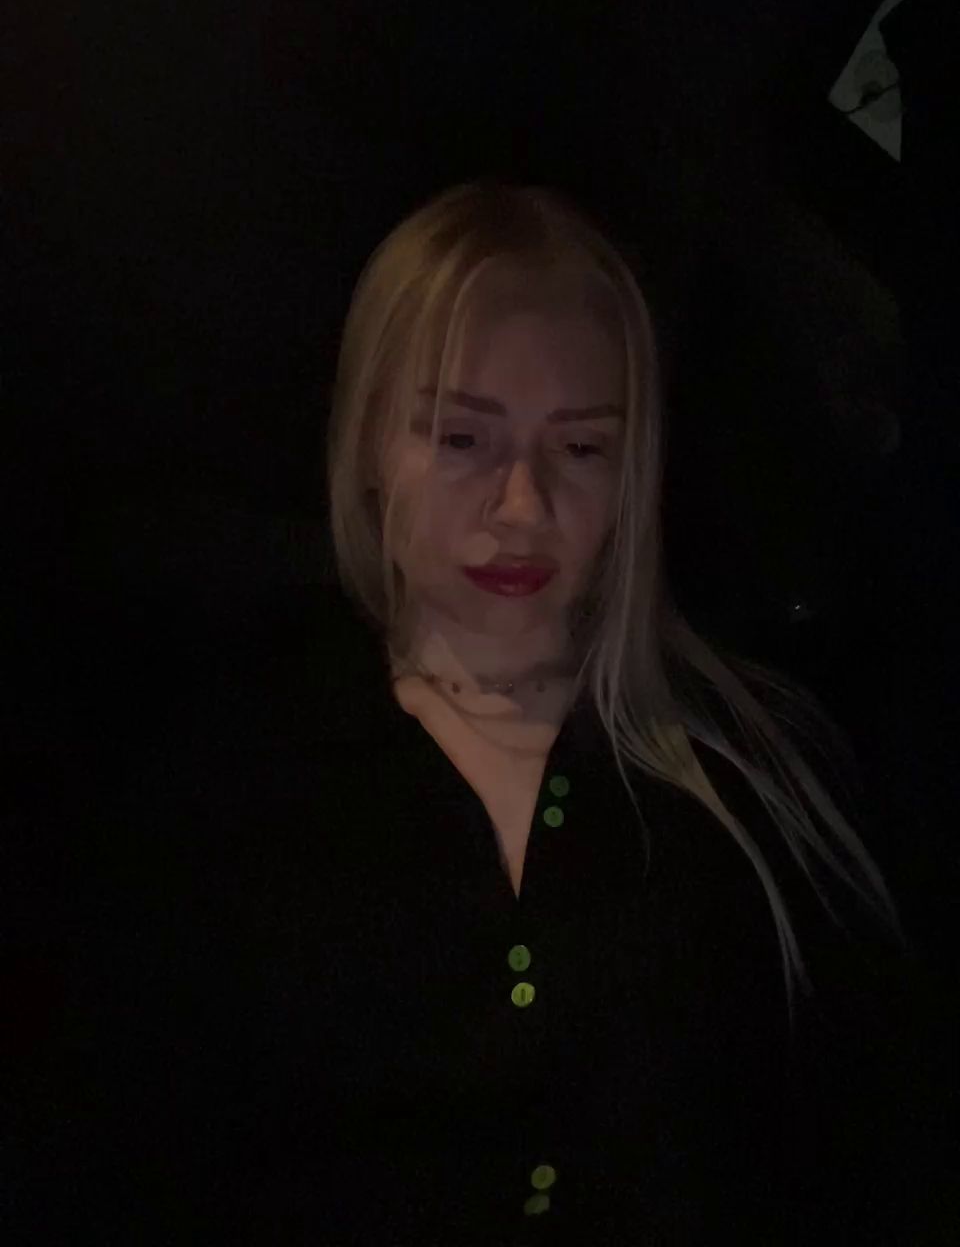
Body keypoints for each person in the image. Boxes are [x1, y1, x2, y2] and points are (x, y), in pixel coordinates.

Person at [4, 180, 942, 1245]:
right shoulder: (222, 793)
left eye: (580, 448)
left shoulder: (763, 767)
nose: (522, 506)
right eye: (462, 438)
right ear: (369, 442)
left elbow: (879, 1145)